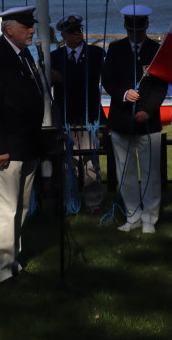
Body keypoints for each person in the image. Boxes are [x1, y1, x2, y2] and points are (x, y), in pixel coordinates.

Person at [0, 6, 44, 285]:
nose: (32, 30)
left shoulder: (24, 54)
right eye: (26, 26)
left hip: (27, 146)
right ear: (9, 29)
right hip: (7, 148)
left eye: (32, 25)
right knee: (6, 208)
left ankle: (13, 262)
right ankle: (1, 273)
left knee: (22, 207)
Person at [102, 5, 167, 234]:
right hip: (121, 120)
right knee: (126, 172)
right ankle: (133, 216)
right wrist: (123, 94)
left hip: (149, 122)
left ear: (146, 26)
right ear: (125, 27)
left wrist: (148, 110)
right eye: (131, 30)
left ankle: (150, 218)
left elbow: (160, 86)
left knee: (151, 173)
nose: (135, 34)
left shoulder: (156, 50)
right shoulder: (115, 49)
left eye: (139, 30)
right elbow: (107, 80)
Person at [50, 13, 104, 213]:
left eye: (79, 30)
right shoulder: (54, 57)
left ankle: (94, 203)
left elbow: (88, 78)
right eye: (72, 32)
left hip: (88, 116)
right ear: (63, 34)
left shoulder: (95, 53)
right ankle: (69, 202)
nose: (77, 34)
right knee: (67, 163)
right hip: (65, 116)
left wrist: (61, 78)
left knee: (91, 163)